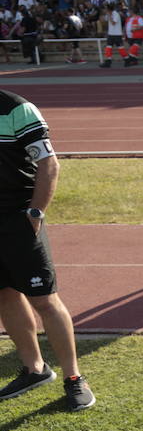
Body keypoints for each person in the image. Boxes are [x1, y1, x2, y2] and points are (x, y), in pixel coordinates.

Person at [0, 90, 94, 411]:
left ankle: (74, 378)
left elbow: (49, 163)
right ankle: (34, 369)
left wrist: (35, 214)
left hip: (18, 220)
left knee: (44, 300)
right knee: (5, 294)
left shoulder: (17, 109)